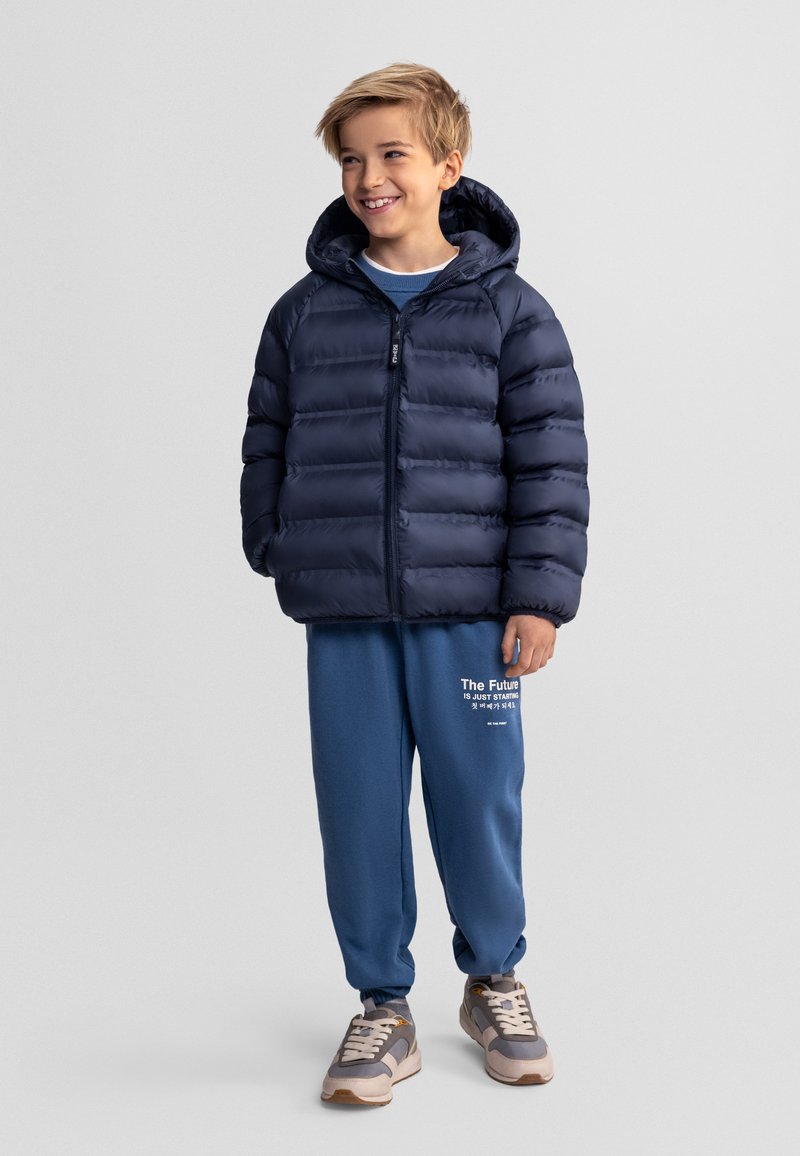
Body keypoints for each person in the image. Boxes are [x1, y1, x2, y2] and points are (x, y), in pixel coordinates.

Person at [240, 61, 589, 1106]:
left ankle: (493, 978)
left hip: (473, 615)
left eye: (392, 153)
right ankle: (381, 1006)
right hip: (345, 610)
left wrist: (538, 595)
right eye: (351, 160)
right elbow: (267, 435)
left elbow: (551, 458)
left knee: (477, 799)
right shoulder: (304, 313)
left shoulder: (511, 313)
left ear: (448, 165)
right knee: (357, 807)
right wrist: (276, 544)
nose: (369, 177)